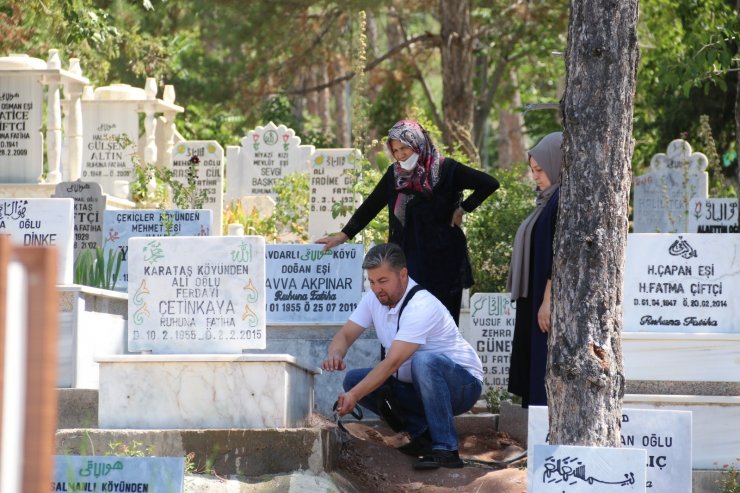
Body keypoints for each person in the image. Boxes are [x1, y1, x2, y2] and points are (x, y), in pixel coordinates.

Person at [317, 120, 499, 324]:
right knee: (405, 319)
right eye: (395, 150)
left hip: (443, 260)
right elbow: (371, 206)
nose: (400, 155)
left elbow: (489, 183)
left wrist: (464, 208)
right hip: (406, 259)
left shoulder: (447, 169)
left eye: (404, 148)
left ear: (418, 143)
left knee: (441, 321)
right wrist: (343, 235)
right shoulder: (395, 175)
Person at [322, 243, 483, 470]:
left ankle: (446, 449)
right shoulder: (373, 299)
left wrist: (354, 397)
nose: (377, 288)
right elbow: (346, 334)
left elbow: (393, 362)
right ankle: (420, 436)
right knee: (354, 379)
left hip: (462, 386)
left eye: (383, 281)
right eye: (372, 281)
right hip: (418, 388)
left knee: (423, 361)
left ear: (403, 274)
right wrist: (335, 354)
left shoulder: (421, 306)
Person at [506, 131, 563, 408]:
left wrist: (548, 300)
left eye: (540, 169)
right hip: (535, 297)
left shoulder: (561, 199)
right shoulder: (547, 200)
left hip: (544, 298)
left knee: (542, 366)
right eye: (532, 170)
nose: (536, 176)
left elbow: (560, 254)